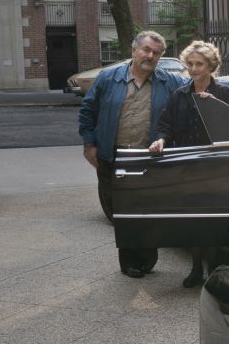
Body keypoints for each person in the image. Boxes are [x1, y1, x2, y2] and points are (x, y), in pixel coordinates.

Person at [79, 31, 187, 278]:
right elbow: (87, 111)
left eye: (156, 53)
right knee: (118, 212)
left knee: (147, 211)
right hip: (112, 156)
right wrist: (89, 145)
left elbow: (197, 86)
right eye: (146, 50)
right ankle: (131, 259)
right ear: (134, 50)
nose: (150, 56)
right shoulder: (108, 78)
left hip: (149, 157)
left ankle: (142, 260)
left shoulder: (169, 81)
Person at [148, 40, 229, 287]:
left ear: (211, 66)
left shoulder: (224, 93)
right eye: (189, 64)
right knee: (192, 220)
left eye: (199, 64)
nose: (193, 69)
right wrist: (160, 140)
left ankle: (213, 268)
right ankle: (196, 268)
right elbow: (166, 125)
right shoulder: (180, 94)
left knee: (213, 220)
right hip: (187, 165)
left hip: (216, 166)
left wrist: (215, 106)